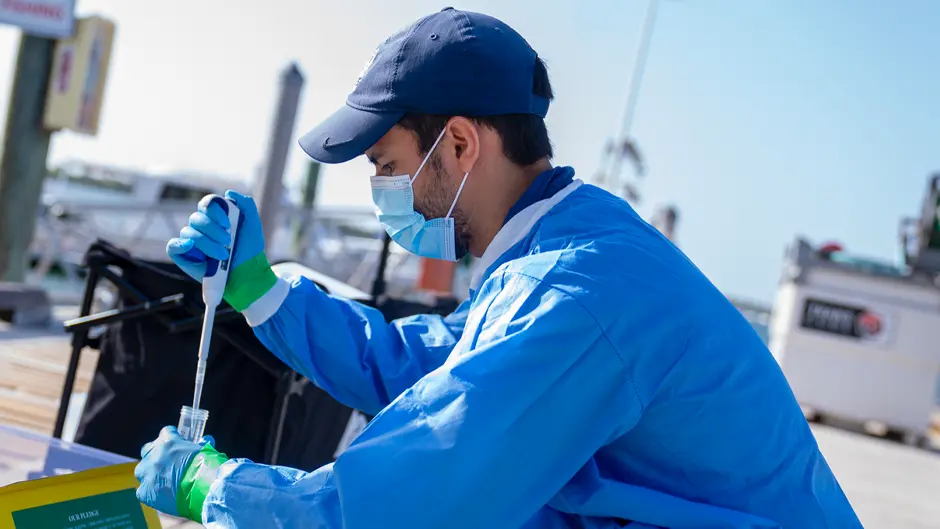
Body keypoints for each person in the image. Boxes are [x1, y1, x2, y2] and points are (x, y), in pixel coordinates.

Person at [134, 7, 863, 528]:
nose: (380, 190)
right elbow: (434, 372)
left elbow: (407, 499)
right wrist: (262, 293)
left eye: (386, 166)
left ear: (457, 145)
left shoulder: (574, 295)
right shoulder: (570, 238)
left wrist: (214, 485)